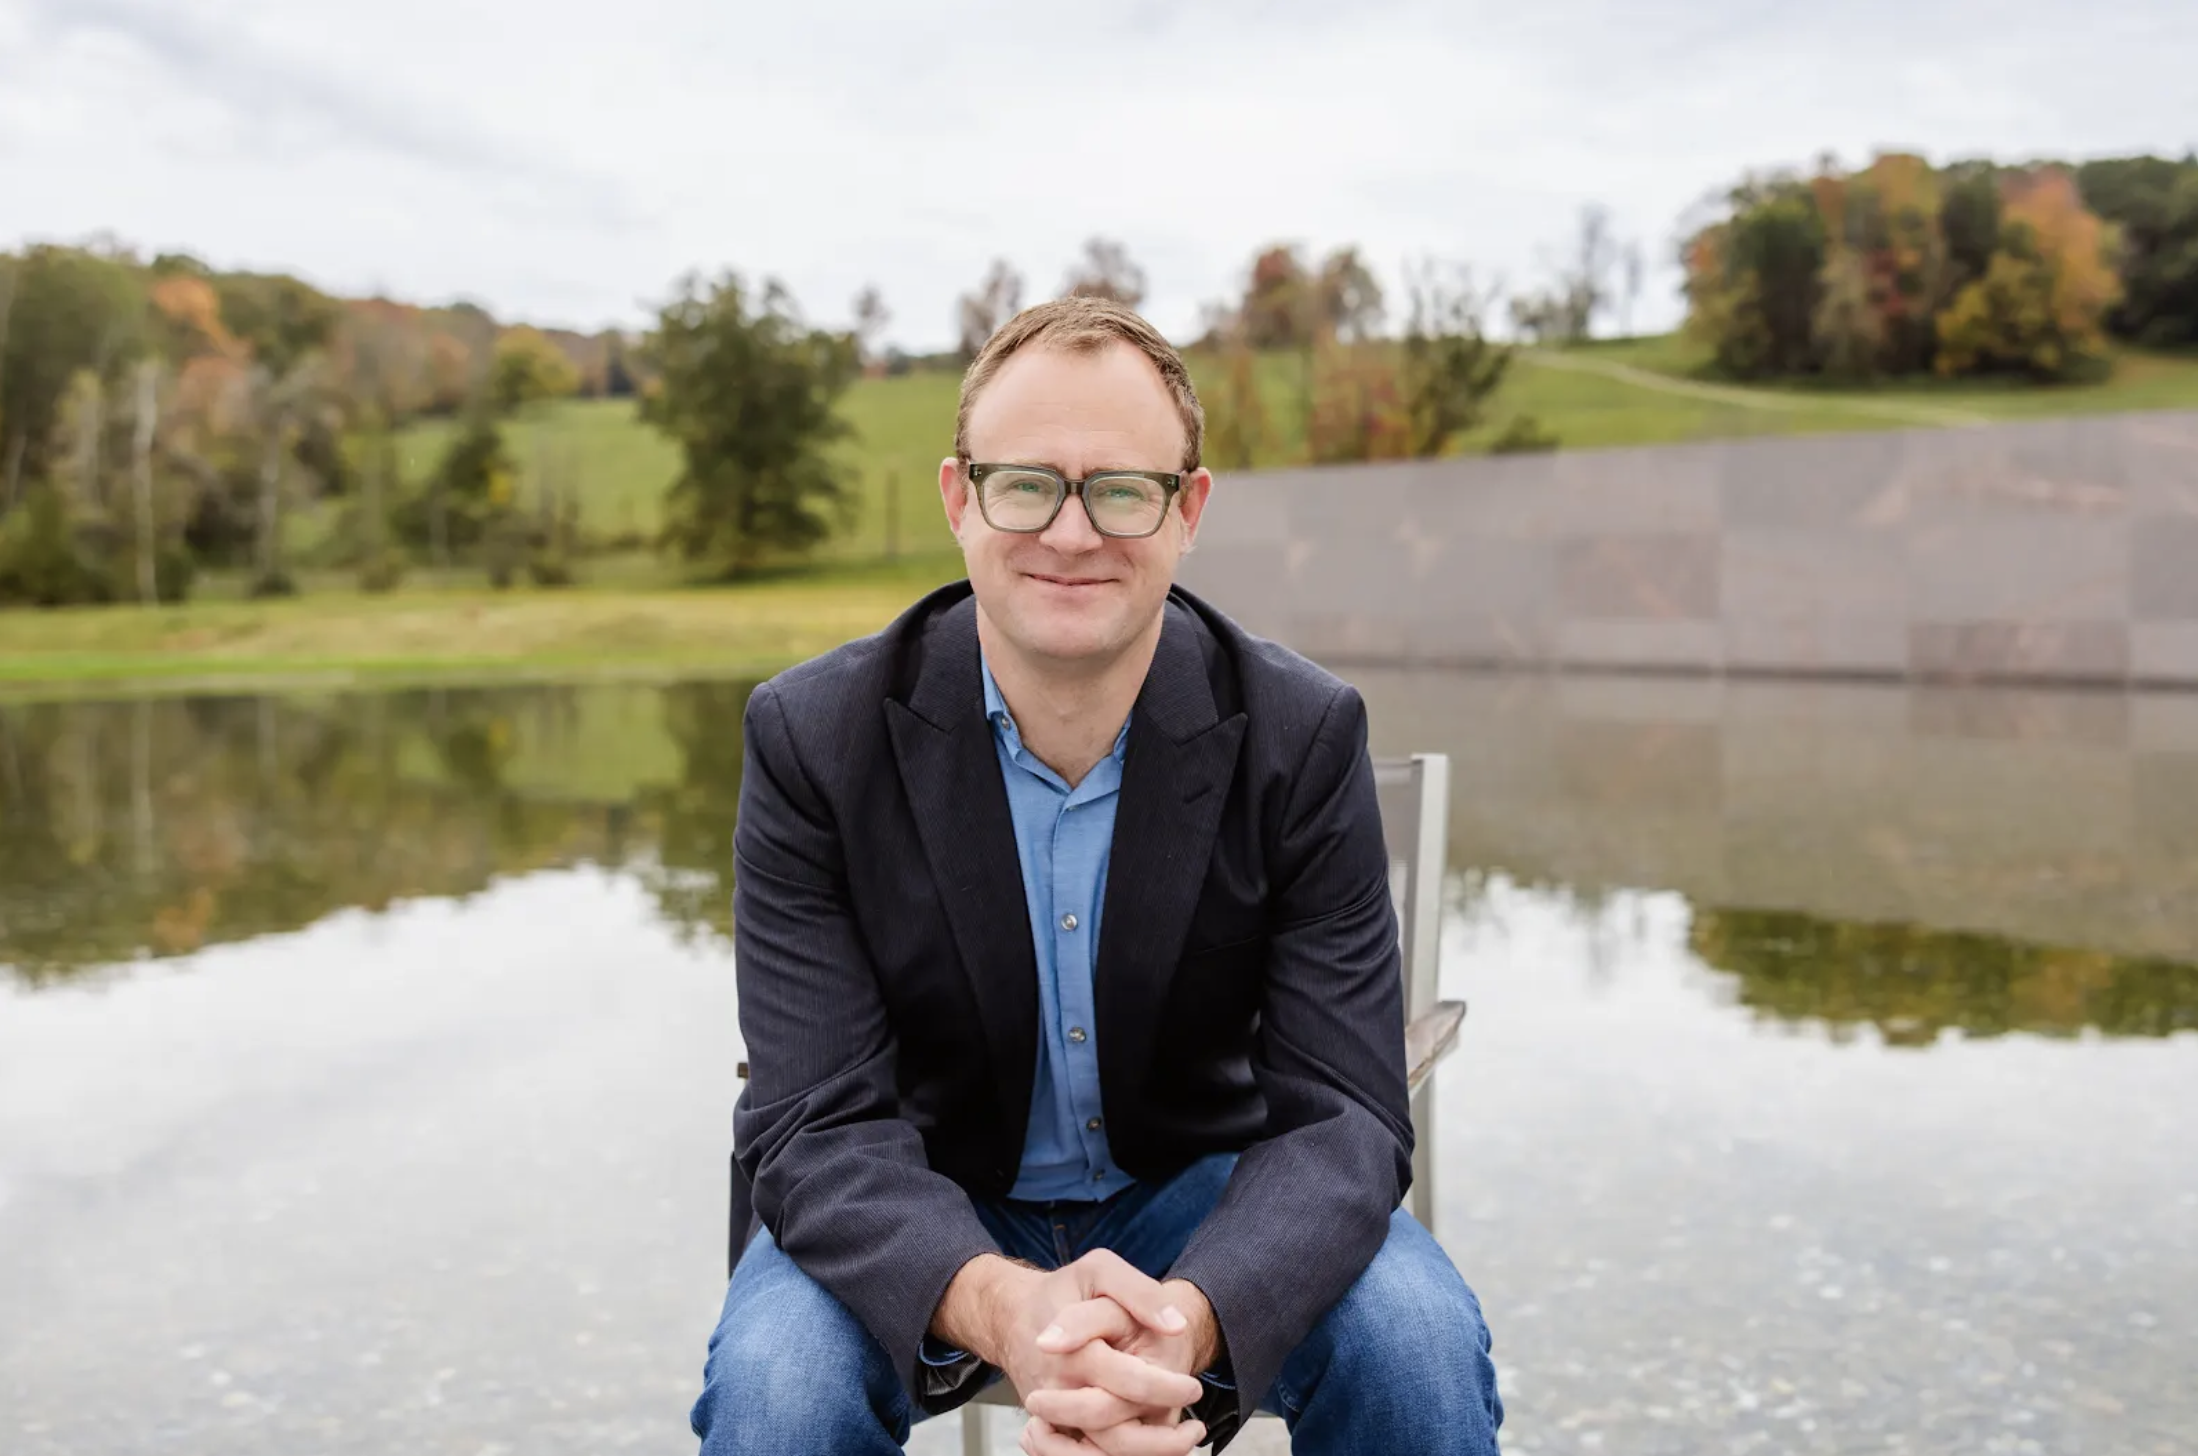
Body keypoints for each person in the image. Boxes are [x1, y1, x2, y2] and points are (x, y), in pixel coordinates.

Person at [690, 295, 1503, 1454]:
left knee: (1413, 1341)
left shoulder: (1300, 734)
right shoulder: (812, 739)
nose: (1070, 534)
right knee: (778, 1385)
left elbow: (1341, 1117)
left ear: (1188, 510)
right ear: (958, 499)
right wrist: (1001, 1306)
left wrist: (1187, 1320)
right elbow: (813, 1122)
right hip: (918, 1195)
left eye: (1120, 490)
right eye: (1026, 484)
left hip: (1204, 1197)